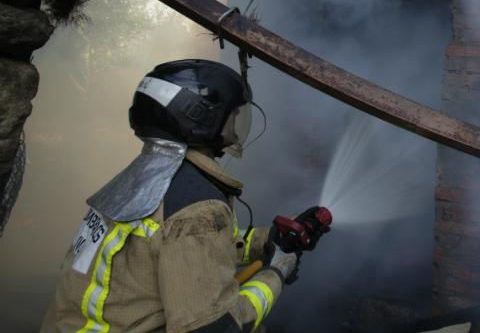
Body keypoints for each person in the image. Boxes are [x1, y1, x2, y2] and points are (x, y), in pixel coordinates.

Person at [41, 59, 323, 332]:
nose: (237, 125)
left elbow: (177, 249)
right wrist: (275, 274)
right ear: (200, 116)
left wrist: (269, 240)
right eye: (233, 115)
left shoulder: (139, 181)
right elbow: (214, 328)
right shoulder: (197, 208)